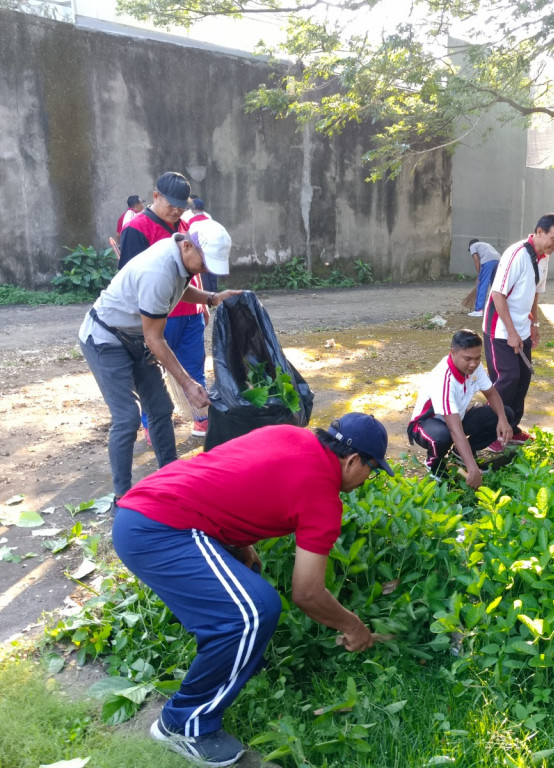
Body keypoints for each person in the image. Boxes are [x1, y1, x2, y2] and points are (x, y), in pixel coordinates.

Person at [112, 413, 394, 768]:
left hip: (148, 506)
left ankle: (239, 668)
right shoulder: (322, 497)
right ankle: (183, 724)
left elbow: (231, 473)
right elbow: (307, 593)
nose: (368, 478)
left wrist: (237, 542)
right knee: (253, 611)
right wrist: (353, 626)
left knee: (250, 576)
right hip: (158, 530)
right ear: (353, 460)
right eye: (372, 469)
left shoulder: (291, 435)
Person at [79, 221, 238, 501]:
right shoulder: (159, 269)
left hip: (134, 335)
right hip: (105, 337)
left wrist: (212, 298)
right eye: (204, 263)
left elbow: (178, 289)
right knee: (127, 417)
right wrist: (188, 385)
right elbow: (155, 339)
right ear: (187, 245)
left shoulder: (180, 258)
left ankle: (171, 477)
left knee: (161, 408)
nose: (205, 270)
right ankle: (122, 496)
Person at [120, 172, 211, 438]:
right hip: (159, 315)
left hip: (190, 311)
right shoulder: (136, 229)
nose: (176, 210)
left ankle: (201, 418)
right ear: (155, 196)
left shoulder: (186, 226)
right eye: (171, 204)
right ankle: (153, 425)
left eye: (181, 206)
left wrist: (204, 302)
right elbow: (130, 278)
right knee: (153, 372)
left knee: (194, 365)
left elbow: (198, 266)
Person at [482, 213, 554, 451]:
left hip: (522, 327)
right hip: (499, 329)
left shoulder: (544, 258)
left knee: (523, 378)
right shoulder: (517, 254)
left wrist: (534, 324)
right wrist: (511, 332)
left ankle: (512, 428)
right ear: (539, 232)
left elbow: (535, 293)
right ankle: (489, 433)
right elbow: (498, 294)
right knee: (506, 379)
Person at [408, 330, 514, 487]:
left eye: (477, 358)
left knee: (505, 413)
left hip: (457, 418)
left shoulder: (474, 367)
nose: (473, 364)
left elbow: (491, 393)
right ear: (453, 353)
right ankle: (433, 464)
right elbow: (454, 430)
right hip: (426, 425)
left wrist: (503, 420)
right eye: (468, 359)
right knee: (443, 437)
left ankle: (461, 453)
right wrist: (473, 469)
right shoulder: (444, 379)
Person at [467, 239, 501, 317]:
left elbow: (476, 259)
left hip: (488, 262)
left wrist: (480, 275)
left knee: (482, 285)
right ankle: (497, 308)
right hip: (499, 261)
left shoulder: (473, 246)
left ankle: (478, 310)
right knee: (495, 286)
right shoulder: (486, 245)